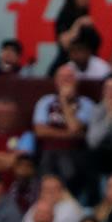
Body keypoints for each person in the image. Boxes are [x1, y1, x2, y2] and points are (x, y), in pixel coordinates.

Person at [33, 64, 95, 197]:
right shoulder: (45, 101)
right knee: (47, 165)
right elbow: (40, 131)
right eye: (62, 77)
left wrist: (64, 101)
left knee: (67, 166)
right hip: (48, 153)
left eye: (70, 77)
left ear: (76, 81)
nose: (66, 80)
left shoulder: (86, 103)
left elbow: (74, 127)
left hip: (74, 153)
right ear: (56, 81)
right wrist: (69, 134)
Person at [50, 0, 102, 74]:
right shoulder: (65, 15)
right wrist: (78, 24)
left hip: (88, 65)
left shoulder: (85, 13)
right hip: (68, 63)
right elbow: (64, 43)